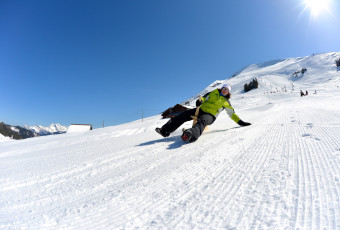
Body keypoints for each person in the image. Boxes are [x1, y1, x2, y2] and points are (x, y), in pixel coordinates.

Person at [155, 83, 251, 142]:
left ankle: (191, 134)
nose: (225, 90)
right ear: (222, 88)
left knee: (202, 121)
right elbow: (204, 98)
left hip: (210, 115)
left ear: (228, 92)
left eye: (227, 90)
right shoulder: (213, 92)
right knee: (183, 115)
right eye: (224, 88)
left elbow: (232, 114)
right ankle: (165, 131)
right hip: (200, 110)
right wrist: (200, 101)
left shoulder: (226, 102)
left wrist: (240, 122)